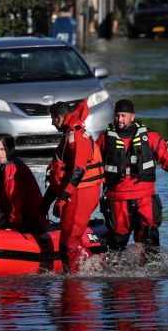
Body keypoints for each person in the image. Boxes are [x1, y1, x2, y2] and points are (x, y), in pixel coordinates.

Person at [96, 99, 168, 262]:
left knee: (150, 245)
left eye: (123, 116)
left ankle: (150, 281)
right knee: (115, 249)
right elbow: (92, 163)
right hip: (117, 200)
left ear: (132, 117)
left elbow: (167, 158)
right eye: (117, 116)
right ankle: (116, 284)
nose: (120, 120)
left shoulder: (150, 136)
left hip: (144, 199)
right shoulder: (105, 138)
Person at [39, 100, 104, 273]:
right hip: (76, 191)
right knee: (67, 239)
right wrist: (45, 203)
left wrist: (63, 197)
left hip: (81, 192)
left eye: (53, 119)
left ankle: (73, 280)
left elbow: (79, 170)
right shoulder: (69, 135)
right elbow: (61, 174)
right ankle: (80, 269)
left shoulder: (76, 137)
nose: (52, 123)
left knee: (69, 241)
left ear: (59, 118)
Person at [0, 133, 47, 232]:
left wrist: (14, 225)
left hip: (30, 224)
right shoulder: (15, 163)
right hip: (32, 219)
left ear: (11, 149)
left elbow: (14, 199)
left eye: (2, 149)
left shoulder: (11, 167)